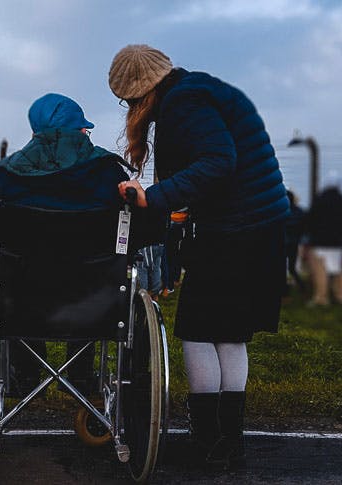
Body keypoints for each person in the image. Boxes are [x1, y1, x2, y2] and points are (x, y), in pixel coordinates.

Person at [109, 45, 289, 467]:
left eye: (130, 101)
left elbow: (218, 160)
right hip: (258, 224)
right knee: (228, 332)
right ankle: (229, 440)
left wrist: (153, 197)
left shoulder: (183, 103)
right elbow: (221, 162)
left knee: (196, 329)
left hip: (235, 227)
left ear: (143, 92)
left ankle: (207, 437)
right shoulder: (200, 90)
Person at [0, 93, 154, 396]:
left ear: (35, 132)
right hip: (95, 302)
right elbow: (141, 232)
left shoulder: (6, 175)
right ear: (79, 131)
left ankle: (24, 372)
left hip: (20, 302)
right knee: (95, 276)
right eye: (85, 129)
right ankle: (79, 375)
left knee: (14, 280)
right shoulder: (108, 172)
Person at [303, 171, 342, 307]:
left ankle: (321, 298)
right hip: (337, 243)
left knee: (320, 272)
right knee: (338, 270)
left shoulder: (319, 200)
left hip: (319, 242)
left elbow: (310, 221)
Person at [284, 190, 306, 294]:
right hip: (294, 242)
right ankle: (302, 288)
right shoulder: (299, 212)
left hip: (281, 242)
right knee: (292, 268)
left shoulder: (280, 212)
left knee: (279, 267)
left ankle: (284, 290)